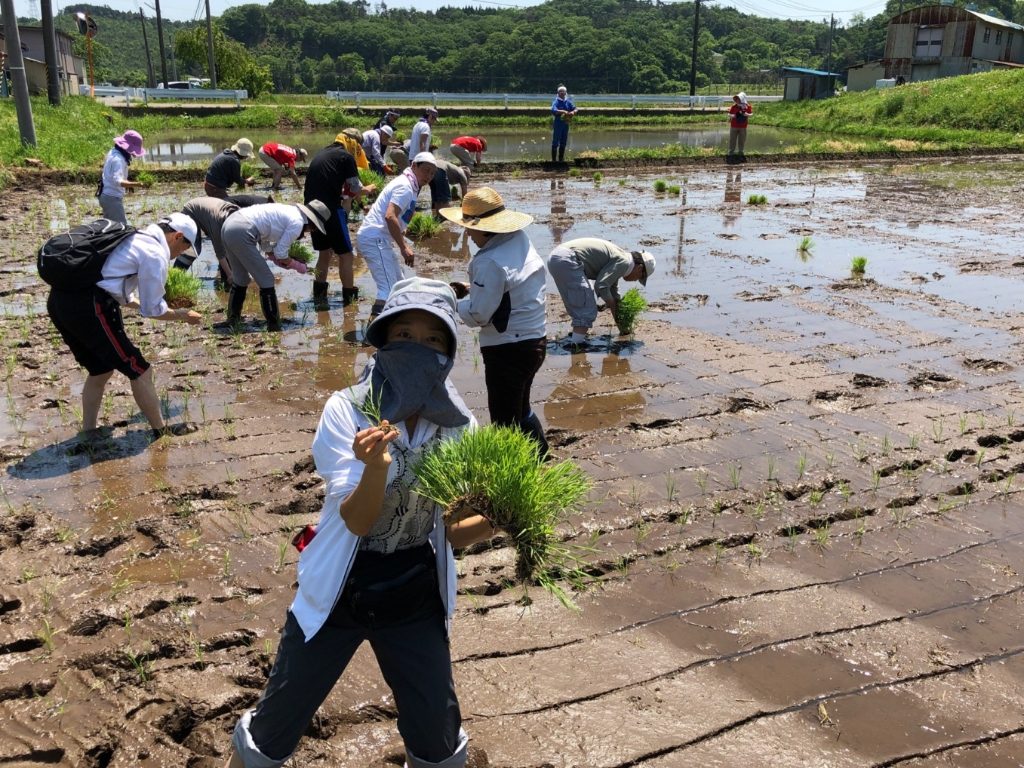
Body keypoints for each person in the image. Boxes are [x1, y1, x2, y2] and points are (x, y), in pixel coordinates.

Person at [222, 276, 495, 768]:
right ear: (383, 339)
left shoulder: (460, 426)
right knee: (275, 729)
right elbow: (357, 521)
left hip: (414, 590)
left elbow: (452, 531)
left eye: (434, 339)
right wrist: (374, 469)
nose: (418, 347)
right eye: (405, 335)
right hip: (340, 590)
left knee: (438, 739)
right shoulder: (347, 409)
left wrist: (500, 518)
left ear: (450, 351)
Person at [45, 213, 203, 447]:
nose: (176, 257)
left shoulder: (133, 237)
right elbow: (153, 310)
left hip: (60, 300)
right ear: (177, 236)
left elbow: (121, 293)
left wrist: (158, 307)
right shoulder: (155, 253)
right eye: (181, 250)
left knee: (100, 369)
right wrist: (181, 316)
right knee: (139, 369)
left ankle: (89, 432)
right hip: (91, 305)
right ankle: (160, 432)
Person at [440, 187, 549, 455]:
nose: (468, 233)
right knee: (521, 409)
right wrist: (475, 289)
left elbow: (479, 314)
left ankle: (513, 477)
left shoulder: (489, 261)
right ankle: (541, 456)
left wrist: (454, 303)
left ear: (487, 228)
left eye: (470, 228)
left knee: (504, 421)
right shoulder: (519, 239)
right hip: (534, 341)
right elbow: (510, 286)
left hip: (507, 351)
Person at [220, 201, 330, 331]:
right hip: (242, 230)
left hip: (229, 225)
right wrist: (297, 265)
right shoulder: (297, 222)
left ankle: (232, 320)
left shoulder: (289, 212)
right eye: (314, 228)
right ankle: (274, 324)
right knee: (267, 279)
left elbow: (266, 244)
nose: (310, 231)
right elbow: (281, 253)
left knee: (241, 278)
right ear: (311, 222)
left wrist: (278, 258)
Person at [356, 152, 437, 317]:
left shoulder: (411, 184)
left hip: (379, 237)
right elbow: (389, 215)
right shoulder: (406, 186)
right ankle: (372, 336)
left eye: (432, 173)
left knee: (399, 284)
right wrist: (403, 247)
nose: (428, 176)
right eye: (426, 170)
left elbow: (393, 216)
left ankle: (396, 327)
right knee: (387, 288)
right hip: (374, 238)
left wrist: (404, 231)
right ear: (414, 166)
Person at [304, 134, 376, 309]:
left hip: (312, 210)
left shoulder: (323, 153)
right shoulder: (346, 157)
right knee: (346, 255)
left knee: (325, 252)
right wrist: (369, 189)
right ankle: (349, 297)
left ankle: (319, 296)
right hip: (330, 209)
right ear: (352, 144)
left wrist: (359, 200)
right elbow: (355, 188)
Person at [546, 238, 655, 346]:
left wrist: (623, 327)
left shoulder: (622, 259)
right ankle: (576, 347)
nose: (636, 280)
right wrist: (610, 303)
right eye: (640, 277)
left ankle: (576, 336)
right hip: (567, 259)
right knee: (586, 309)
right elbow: (602, 286)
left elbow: (614, 295)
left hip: (559, 257)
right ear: (640, 268)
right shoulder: (624, 262)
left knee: (585, 299)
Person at [98, 130, 146, 224]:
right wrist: (138, 184)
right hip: (111, 198)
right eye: (133, 151)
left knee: (111, 227)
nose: (133, 154)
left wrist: (128, 184)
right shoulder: (118, 160)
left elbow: (112, 176)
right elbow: (118, 181)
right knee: (120, 228)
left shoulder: (114, 151)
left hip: (106, 195)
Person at [550, 85, 578, 163]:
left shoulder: (568, 101)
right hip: (558, 123)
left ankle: (561, 159)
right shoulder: (556, 101)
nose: (562, 93)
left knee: (564, 140)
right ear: (558, 93)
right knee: (556, 141)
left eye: (563, 91)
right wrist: (563, 111)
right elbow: (554, 110)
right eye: (560, 91)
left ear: (566, 93)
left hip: (565, 124)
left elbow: (575, 108)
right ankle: (554, 160)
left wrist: (573, 112)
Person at [727, 92, 753, 162]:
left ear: (742, 99)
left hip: (743, 126)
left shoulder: (747, 106)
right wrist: (733, 116)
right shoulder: (734, 106)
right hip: (734, 126)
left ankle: (740, 152)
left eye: (738, 99)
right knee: (732, 139)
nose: (737, 100)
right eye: (736, 99)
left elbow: (751, 114)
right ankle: (731, 152)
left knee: (742, 139)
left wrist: (747, 114)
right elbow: (729, 114)